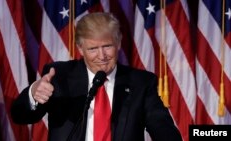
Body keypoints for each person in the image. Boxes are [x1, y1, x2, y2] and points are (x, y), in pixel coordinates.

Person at [11, 12, 182, 141]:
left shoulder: (141, 82)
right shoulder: (60, 76)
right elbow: (20, 116)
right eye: (93, 49)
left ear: (119, 43)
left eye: (107, 46)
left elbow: (162, 128)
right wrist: (34, 93)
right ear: (80, 49)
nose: (102, 56)